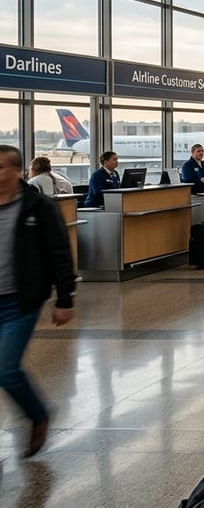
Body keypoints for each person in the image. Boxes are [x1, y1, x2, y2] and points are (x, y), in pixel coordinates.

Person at [0, 145, 76, 458]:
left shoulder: (38, 207)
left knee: (5, 369)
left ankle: (38, 414)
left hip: (21, 301)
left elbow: (59, 252)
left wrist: (64, 298)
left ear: (19, 171)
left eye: (2, 166)